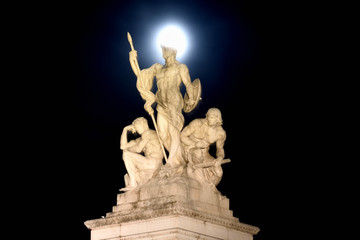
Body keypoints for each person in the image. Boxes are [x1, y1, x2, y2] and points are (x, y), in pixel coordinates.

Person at [129, 46, 197, 170]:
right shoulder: (157, 67)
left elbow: (188, 84)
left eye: (165, 49)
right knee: (162, 134)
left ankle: (170, 161)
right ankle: (178, 161)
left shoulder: (181, 67)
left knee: (173, 130)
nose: (163, 52)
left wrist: (191, 99)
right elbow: (140, 75)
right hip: (161, 102)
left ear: (172, 51)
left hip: (174, 102)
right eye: (162, 50)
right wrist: (132, 59)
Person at [180, 108, 226, 189]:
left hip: (205, 153)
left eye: (211, 118)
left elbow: (220, 150)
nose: (208, 119)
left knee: (219, 172)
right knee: (198, 153)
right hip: (189, 148)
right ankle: (199, 184)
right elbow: (182, 135)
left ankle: (209, 189)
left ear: (217, 119)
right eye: (208, 116)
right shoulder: (197, 123)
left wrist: (219, 158)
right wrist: (195, 144)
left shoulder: (220, 133)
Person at [120, 117, 163, 191]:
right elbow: (123, 146)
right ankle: (133, 183)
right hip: (149, 162)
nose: (135, 130)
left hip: (154, 162)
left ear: (142, 124)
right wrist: (125, 130)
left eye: (135, 126)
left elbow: (138, 149)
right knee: (126, 154)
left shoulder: (149, 133)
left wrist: (127, 150)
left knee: (126, 154)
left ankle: (133, 184)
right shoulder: (141, 139)